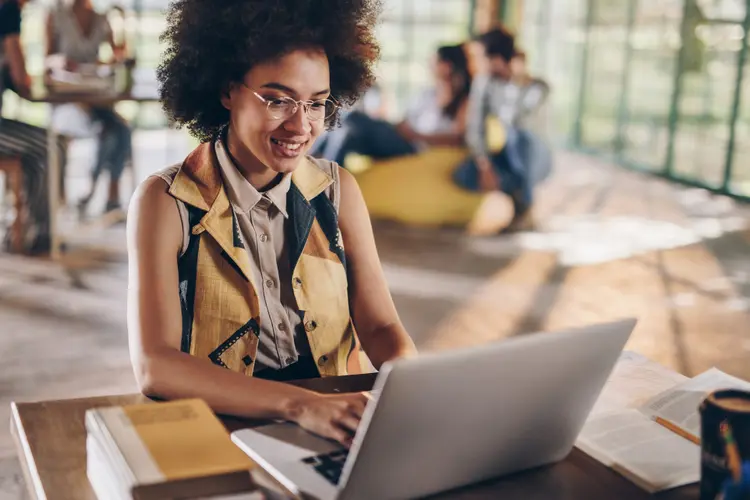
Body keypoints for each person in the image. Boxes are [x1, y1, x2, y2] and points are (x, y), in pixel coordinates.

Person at [127, 0, 417, 447]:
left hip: (338, 418)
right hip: (224, 422)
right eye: (278, 100)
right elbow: (156, 366)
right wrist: (299, 405)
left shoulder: (337, 191)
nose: (301, 125)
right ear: (227, 91)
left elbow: (380, 328)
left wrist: (414, 385)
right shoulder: (166, 203)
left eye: (317, 103)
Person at [312, 43, 472, 166]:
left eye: (434, 61)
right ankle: (317, 176)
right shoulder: (428, 93)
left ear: (447, 66)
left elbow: (458, 139)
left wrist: (417, 136)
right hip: (402, 136)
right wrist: (396, 127)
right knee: (344, 133)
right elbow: (405, 122)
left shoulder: (463, 99)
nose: (430, 65)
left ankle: (313, 164)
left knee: (352, 116)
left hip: (413, 146)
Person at [455, 28, 551, 233]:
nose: (475, 63)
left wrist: (515, 80)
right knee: (466, 174)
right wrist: (484, 164)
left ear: (496, 58)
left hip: (533, 157)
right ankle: (522, 203)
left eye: (479, 57)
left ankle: (524, 204)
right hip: (508, 155)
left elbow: (520, 120)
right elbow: (475, 127)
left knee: (520, 137)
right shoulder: (484, 83)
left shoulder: (537, 87)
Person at [46, 0, 132, 216]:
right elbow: (47, 60)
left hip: (96, 103)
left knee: (121, 129)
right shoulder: (54, 15)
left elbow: (119, 56)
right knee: (105, 132)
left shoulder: (103, 19)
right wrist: (60, 62)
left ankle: (110, 199)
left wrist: (120, 38)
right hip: (66, 104)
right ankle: (88, 191)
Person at [0, 0, 67, 254]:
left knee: (40, 153)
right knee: (53, 145)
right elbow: (21, 78)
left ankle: (25, 229)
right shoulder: (7, 12)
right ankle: (42, 234)